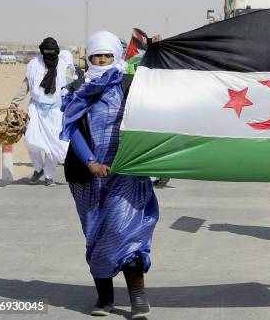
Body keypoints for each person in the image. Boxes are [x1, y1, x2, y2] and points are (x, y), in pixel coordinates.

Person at [60, 31, 159, 318]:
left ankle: (138, 298)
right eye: (96, 56)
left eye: (107, 56)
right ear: (89, 57)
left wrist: (155, 52)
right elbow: (73, 129)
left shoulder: (130, 85)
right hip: (89, 177)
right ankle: (104, 298)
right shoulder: (78, 89)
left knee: (126, 232)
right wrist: (91, 162)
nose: (102, 60)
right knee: (96, 235)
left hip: (126, 173)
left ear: (116, 57)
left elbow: (159, 84)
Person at [10, 37, 69, 186]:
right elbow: (26, 86)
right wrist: (14, 103)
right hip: (36, 108)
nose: (49, 54)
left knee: (52, 145)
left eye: (52, 51)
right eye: (46, 51)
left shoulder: (63, 65)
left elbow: (71, 87)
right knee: (31, 140)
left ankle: (49, 176)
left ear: (57, 51)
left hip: (55, 110)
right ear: (42, 51)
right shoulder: (34, 65)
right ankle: (38, 168)